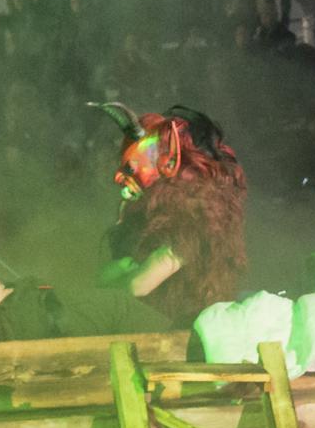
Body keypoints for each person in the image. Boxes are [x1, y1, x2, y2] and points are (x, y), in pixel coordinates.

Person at [93, 102, 248, 327]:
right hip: (159, 326)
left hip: (179, 331)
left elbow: (139, 285)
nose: (119, 177)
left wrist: (112, 281)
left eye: (130, 168)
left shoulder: (195, 219)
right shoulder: (154, 218)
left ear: (169, 162)